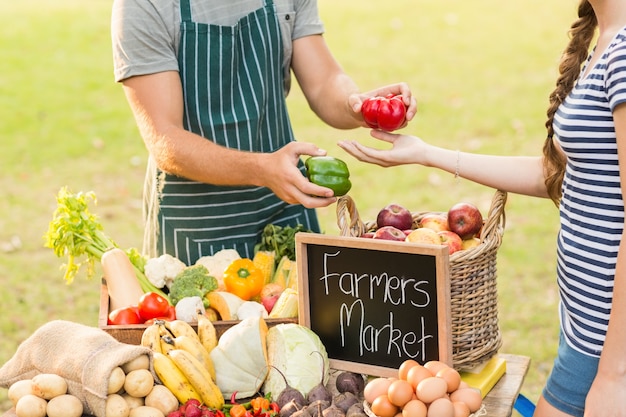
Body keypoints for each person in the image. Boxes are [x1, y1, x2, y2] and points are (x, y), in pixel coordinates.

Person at [338, 1, 626, 416]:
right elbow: (562, 175)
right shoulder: (605, 40)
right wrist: (427, 154)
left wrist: (614, 376)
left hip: (608, 346)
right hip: (586, 329)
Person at [110, 0, 416, 266]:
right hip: (197, 225)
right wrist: (262, 169)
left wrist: (358, 106)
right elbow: (167, 141)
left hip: (284, 209)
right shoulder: (143, 5)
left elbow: (324, 81)